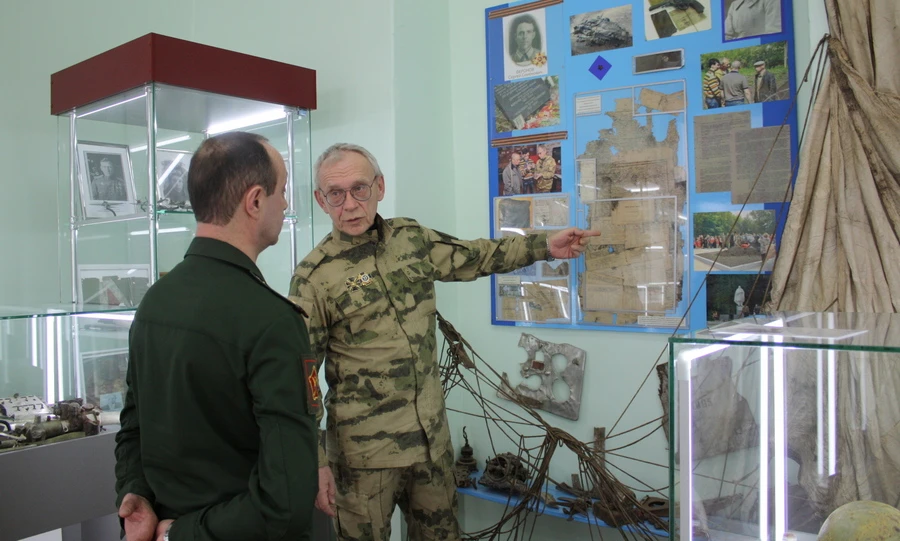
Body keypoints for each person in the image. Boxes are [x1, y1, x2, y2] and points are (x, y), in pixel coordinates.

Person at [288, 143, 600, 541]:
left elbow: (475, 255)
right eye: (336, 194)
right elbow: (301, 380)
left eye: (359, 189)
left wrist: (544, 246)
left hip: (430, 445)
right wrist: (316, 462)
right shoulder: (314, 277)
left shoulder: (411, 240)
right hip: (363, 459)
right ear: (321, 200)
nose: (349, 204)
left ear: (379, 187)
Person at [115, 132, 318, 541]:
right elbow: (287, 504)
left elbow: (133, 428)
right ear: (255, 201)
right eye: (282, 191)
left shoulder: (154, 302)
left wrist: (135, 493)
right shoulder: (273, 321)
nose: (285, 204)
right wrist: (179, 535)